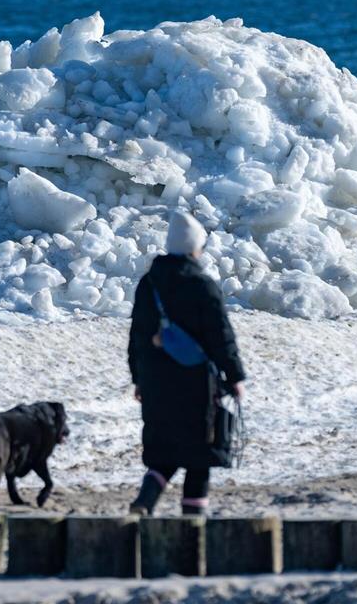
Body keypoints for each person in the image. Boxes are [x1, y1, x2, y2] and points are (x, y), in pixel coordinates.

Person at [127, 211, 246, 515]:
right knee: (199, 454)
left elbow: (137, 335)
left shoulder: (148, 284)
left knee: (164, 451)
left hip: (155, 381)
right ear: (195, 248)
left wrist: (138, 378)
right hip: (195, 383)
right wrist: (234, 376)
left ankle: (145, 501)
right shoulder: (202, 285)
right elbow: (221, 335)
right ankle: (193, 522)